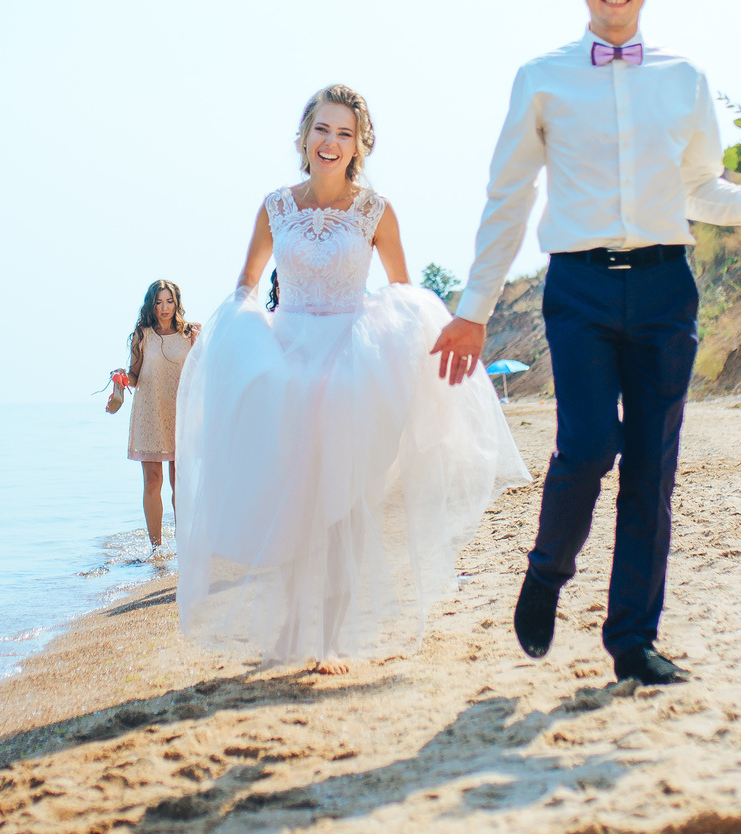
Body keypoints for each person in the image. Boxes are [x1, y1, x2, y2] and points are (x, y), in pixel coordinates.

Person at [428, 0, 741, 686]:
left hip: (666, 287)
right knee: (590, 444)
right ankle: (547, 568)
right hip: (580, 288)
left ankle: (633, 640)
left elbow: (700, 189)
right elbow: (508, 197)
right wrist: (474, 308)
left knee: (652, 467)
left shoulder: (685, 78)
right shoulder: (541, 78)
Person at [175, 83, 527, 670]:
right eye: (322, 129)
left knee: (340, 504)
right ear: (304, 136)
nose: (331, 142)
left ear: (360, 145)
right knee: (292, 501)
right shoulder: (274, 207)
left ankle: (333, 636)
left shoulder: (375, 211)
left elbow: (402, 290)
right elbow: (247, 286)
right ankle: (293, 627)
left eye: (345, 133)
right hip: (286, 364)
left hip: (351, 365)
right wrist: (234, 337)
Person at [109, 280, 196, 550]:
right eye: (159, 302)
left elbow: (203, 372)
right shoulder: (142, 335)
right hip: (150, 410)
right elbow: (135, 375)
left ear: (177, 303)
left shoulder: (190, 334)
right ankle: (156, 549)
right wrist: (122, 378)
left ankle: (184, 547)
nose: (164, 307)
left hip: (182, 412)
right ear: (152, 305)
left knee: (179, 483)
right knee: (153, 479)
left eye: (169, 301)